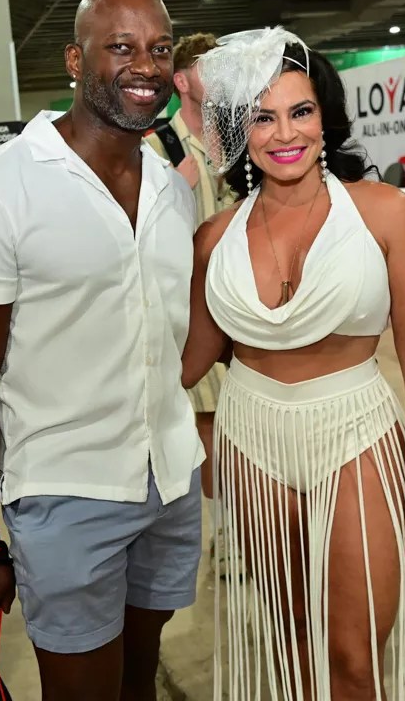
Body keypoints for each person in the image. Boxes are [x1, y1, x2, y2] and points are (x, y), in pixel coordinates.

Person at [0, 0, 202, 701]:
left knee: (141, 677)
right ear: (75, 61)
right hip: (66, 491)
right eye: (121, 47)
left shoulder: (172, 189)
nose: (144, 66)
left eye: (159, 49)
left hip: (170, 478)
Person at [183, 28, 405, 700]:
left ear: (323, 116)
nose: (284, 134)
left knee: (356, 655)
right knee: (294, 638)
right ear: (239, 130)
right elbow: (190, 360)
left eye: (299, 111)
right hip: (252, 439)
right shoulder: (214, 238)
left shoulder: (383, 213)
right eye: (262, 117)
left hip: (355, 432)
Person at [144, 32, 229, 500]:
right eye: (208, 68)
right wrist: (173, 189)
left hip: (244, 308)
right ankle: (221, 532)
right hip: (191, 314)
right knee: (206, 423)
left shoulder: (241, 142)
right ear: (181, 81)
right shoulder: (156, 151)